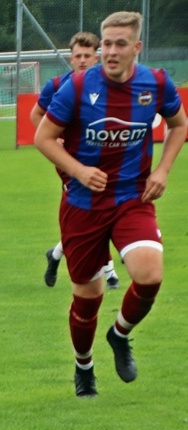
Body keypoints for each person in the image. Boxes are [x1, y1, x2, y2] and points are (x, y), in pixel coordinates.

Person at [35, 11, 186, 398]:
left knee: (149, 275)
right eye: (107, 43)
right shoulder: (78, 86)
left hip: (132, 198)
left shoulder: (156, 83)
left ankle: (120, 335)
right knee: (88, 296)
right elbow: (43, 137)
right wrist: (79, 170)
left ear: (137, 47)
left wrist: (163, 171)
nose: (111, 51)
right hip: (83, 204)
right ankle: (83, 366)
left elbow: (179, 125)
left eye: (121, 44)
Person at [32, 33, 121, 290]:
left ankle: (56, 254)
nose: (82, 61)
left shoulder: (112, 85)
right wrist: (55, 140)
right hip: (71, 162)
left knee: (95, 211)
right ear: (71, 58)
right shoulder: (59, 84)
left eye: (87, 55)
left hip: (106, 157)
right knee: (91, 208)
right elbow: (36, 114)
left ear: (97, 56)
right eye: (77, 56)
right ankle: (110, 272)